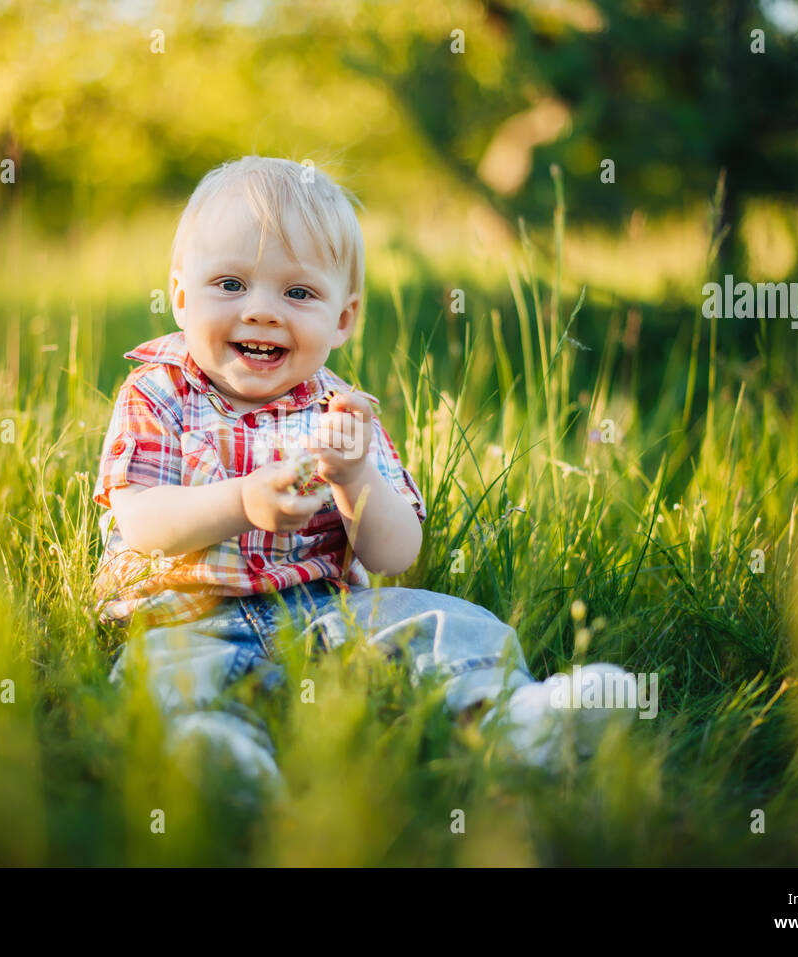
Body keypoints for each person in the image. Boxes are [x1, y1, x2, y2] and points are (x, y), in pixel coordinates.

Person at [92, 155, 635, 797]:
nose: (263, 312)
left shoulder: (342, 412)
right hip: (189, 619)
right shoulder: (158, 393)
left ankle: (513, 719)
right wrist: (242, 501)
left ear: (343, 319)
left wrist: (353, 475)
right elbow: (142, 521)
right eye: (231, 285)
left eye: (298, 293)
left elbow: (394, 554)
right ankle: (218, 753)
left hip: (328, 613)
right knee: (164, 671)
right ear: (181, 297)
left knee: (445, 620)